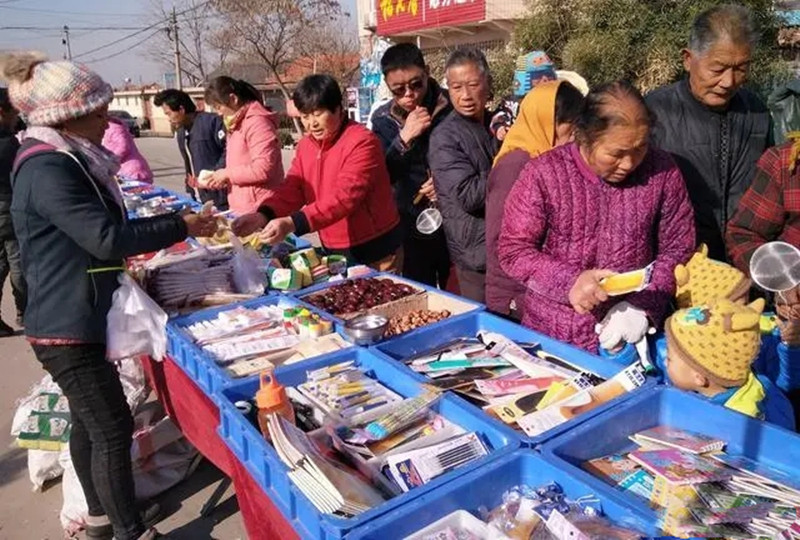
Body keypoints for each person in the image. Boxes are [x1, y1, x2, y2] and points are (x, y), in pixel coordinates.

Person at [1, 51, 218, 540]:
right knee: (111, 428)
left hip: (78, 313)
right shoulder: (49, 168)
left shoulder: (65, 158)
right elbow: (106, 237)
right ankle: (128, 529)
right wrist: (179, 224)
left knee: (88, 423)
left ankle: (100, 517)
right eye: (100, 112)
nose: (109, 121)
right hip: (66, 324)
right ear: (68, 116)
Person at [498, 81, 696, 353]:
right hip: (555, 337)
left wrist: (644, 306)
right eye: (616, 153)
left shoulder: (662, 172)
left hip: (632, 336)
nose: (628, 163)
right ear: (584, 136)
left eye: (639, 148)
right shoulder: (543, 174)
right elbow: (513, 250)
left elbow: (678, 246)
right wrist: (570, 283)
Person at [232, 75, 403, 270]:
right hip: (334, 249)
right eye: (305, 116)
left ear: (338, 108)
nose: (311, 123)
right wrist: (263, 215)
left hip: (376, 248)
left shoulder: (362, 141)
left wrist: (293, 222)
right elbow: (293, 187)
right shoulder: (306, 145)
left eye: (318, 113)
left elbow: (344, 197)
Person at [646, 4, 772, 262]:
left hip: (744, 264)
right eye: (718, 69)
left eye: (741, 69)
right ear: (688, 59)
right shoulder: (654, 113)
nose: (729, 81)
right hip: (679, 266)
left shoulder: (757, 112)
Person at [486, 80, 584, 320]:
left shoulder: (550, 159)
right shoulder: (516, 165)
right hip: (515, 297)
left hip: (541, 289)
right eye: (569, 129)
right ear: (545, 122)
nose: (574, 139)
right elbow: (502, 241)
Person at [371, 43, 452, 288]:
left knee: (460, 296)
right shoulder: (383, 120)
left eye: (416, 84)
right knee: (421, 292)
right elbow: (383, 176)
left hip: (455, 220)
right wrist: (404, 138)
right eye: (399, 89)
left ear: (427, 71)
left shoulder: (453, 107)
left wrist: (446, 182)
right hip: (410, 221)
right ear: (388, 86)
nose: (409, 94)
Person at [428, 48, 498, 302]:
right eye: (457, 87)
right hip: (476, 253)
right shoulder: (444, 138)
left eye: (472, 85)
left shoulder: (497, 124)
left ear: (487, 84)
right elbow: (468, 196)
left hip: (508, 246)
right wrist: (510, 165)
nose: (465, 96)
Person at [662, 298, 795, 430]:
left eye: (669, 359)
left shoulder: (746, 419)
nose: (664, 362)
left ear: (699, 378)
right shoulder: (735, 376)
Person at [202, 77, 284, 216]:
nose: (219, 113)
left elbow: (263, 169)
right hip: (242, 205)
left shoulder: (257, 123)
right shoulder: (235, 123)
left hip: (261, 207)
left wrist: (227, 174)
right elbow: (240, 164)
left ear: (233, 99)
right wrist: (223, 178)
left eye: (219, 107)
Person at [153, 89, 228, 210]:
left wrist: (215, 173)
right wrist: (190, 185)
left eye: (168, 113)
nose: (168, 118)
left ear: (181, 110)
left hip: (221, 196)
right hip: (199, 197)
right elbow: (189, 161)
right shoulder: (181, 132)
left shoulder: (212, 122)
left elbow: (229, 150)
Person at [0, 88, 25, 335]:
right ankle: (25, 312)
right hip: (8, 210)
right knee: (19, 263)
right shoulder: (8, 144)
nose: (17, 117)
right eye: (14, 112)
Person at [102, 115, 153, 183]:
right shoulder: (105, 129)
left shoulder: (113, 128)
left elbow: (123, 146)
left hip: (132, 170)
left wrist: (110, 160)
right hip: (124, 170)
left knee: (138, 191)